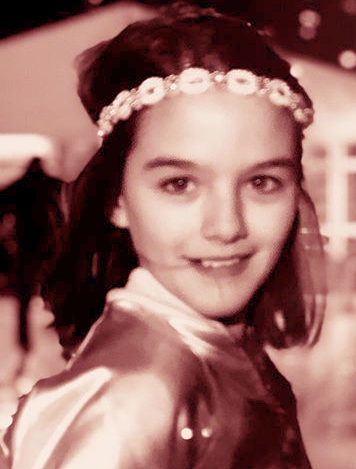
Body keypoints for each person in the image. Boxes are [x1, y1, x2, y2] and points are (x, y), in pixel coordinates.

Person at [0, 2, 327, 468]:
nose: (226, 226)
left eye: (262, 182)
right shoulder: (127, 401)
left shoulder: (222, 349)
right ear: (116, 198)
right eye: (179, 184)